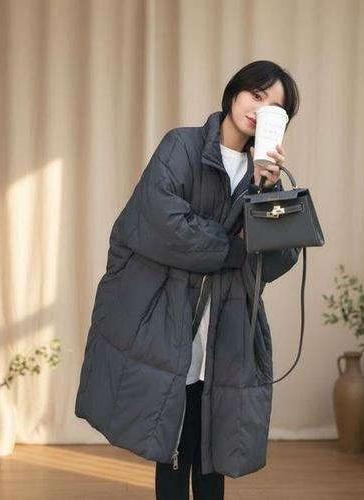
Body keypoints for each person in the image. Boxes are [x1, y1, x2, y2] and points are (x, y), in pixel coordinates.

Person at [74, 60, 301, 500]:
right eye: (256, 95)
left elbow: (275, 261)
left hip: (226, 325)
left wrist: (266, 192)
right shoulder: (182, 145)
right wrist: (234, 249)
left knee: (213, 447)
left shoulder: (265, 176)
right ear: (235, 92)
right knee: (174, 443)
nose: (260, 110)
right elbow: (164, 225)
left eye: (275, 108)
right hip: (170, 318)